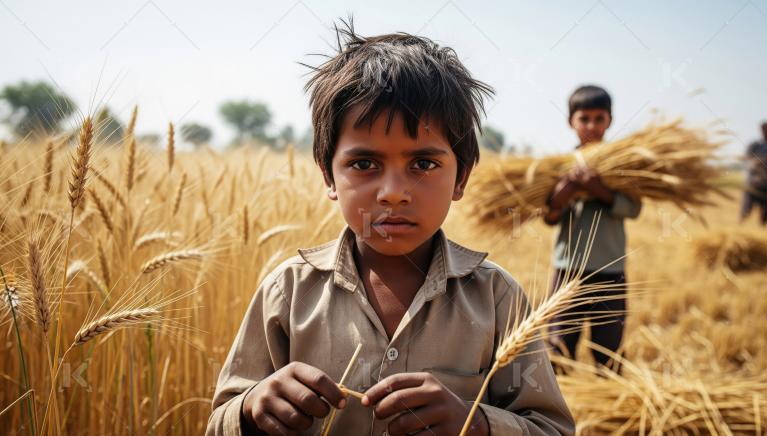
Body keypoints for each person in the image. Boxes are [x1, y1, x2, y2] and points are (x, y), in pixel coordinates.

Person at [206, 21, 574, 436]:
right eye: (364, 164)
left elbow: (552, 428)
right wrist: (252, 409)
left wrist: (477, 425)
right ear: (329, 176)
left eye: (423, 164)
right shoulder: (287, 292)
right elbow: (220, 420)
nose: (394, 193)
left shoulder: (495, 297)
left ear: (461, 178)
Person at [543, 85, 641, 374]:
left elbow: (634, 208)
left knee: (608, 351)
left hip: (610, 269)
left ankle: (608, 408)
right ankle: (557, 413)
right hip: (567, 270)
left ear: (610, 120)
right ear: (571, 121)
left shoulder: (621, 166)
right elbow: (548, 217)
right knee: (558, 350)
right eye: (584, 119)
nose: (591, 126)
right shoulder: (558, 167)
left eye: (599, 119)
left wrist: (600, 190)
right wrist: (563, 193)